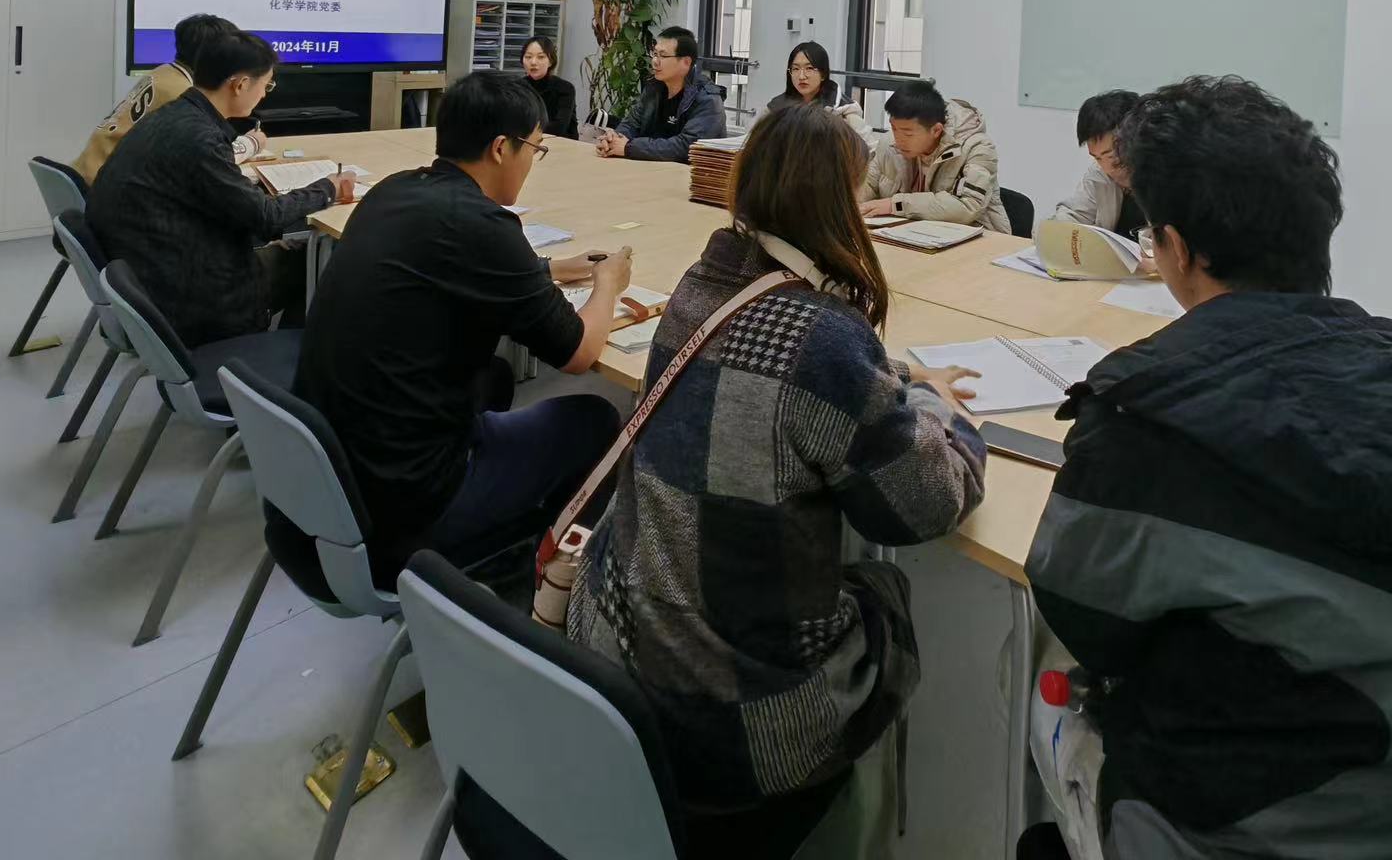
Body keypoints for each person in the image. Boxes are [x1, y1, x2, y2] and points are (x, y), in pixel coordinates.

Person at [1022, 77, 1392, 860]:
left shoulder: (1144, 430)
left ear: (1171, 248)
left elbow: (1076, 608)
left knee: (1047, 686)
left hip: (1267, 836)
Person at [565, 102, 988, 855]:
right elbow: (926, 504)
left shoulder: (702, 282)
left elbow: (781, 362)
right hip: (730, 718)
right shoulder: (824, 339)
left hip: (619, 648)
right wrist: (942, 411)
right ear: (833, 202)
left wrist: (888, 377)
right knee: (884, 591)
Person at [293, 68, 631, 583]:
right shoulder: (484, 225)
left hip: (335, 474)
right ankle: (537, 574)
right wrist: (608, 283)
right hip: (406, 505)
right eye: (534, 149)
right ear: (501, 148)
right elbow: (578, 353)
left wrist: (550, 269)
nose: (532, 162)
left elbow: (451, 264)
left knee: (493, 377)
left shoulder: (393, 191)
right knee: (597, 419)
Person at [88, 31, 349, 348]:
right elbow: (266, 217)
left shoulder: (173, 116)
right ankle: (275, 354)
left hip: (153, 269)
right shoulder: (201, 138)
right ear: (240, 85)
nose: (264, 95)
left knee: (297, 248)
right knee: (321, 259)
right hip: (192, 297)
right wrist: (328, 188)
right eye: (266, 85)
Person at [72, 13, 264, 183]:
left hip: (86, 172)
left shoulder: (163, 72)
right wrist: (250, 143)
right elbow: (209, 161)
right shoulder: (185, 95)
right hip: (105, 185)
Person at [857, 79, 1011, 232]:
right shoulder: (888, 144)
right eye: (894, 128)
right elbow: (864, 190)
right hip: (911, 235)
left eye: (908, 133)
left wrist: (896, 204)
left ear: (936, 130)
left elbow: (968, 206)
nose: (898, 139)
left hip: (979, 239)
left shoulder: (977, 147)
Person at [599, 25, 726, 162]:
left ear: (686, 62)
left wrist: (629, 147)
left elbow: (686, 147)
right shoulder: (654, 87)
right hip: (650, 167)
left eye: (663, 56)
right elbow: (631, 124)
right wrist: (614, 138)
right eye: (655, 54)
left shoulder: (708, 99)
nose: (655, 61)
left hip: (689, 172)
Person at [1052, 89, 1144, 235]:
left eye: (1112, 157)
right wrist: (1055, 231)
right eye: (1097, 157)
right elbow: (1073, 215)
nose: (1107, 168)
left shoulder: (1164, 178)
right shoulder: (1098, 173)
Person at [760, 40, 870, 140]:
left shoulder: (844, 112)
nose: (801, 76)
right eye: (796, 69)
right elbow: (755, 143)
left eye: (809, 68)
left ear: (823, 74)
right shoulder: (775, 108)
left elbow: (867, 149)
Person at [520, 35, 579, 140]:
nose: (533, 62)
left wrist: (523, 127)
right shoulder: (518, 87)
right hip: (527, 142)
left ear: (550, 61)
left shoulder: (565, 88)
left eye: (541, 57)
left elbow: (559, 127)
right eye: (528, 57)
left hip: (562, 143)